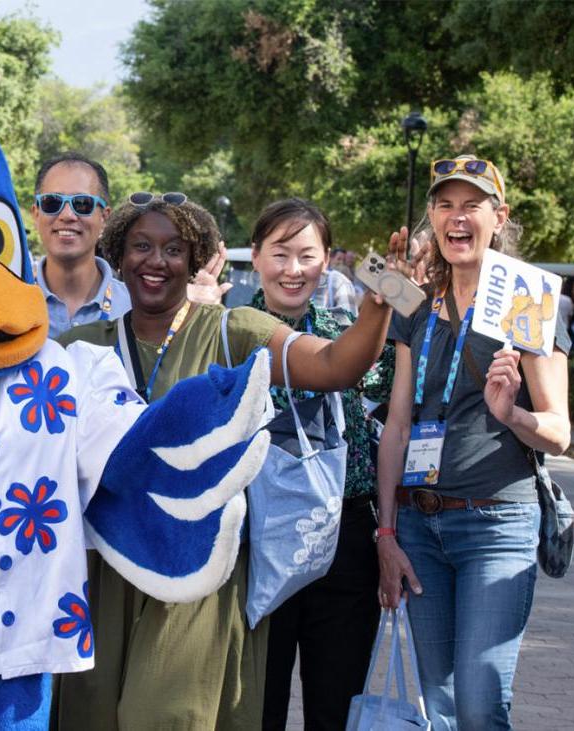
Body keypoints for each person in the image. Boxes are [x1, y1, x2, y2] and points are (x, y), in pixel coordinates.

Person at [55, 190, 403, 729]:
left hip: (199, 574)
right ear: (119, 255)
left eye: (173, 250)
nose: (156, 261)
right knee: (93, 715)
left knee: (165, 714)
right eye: (142, 246)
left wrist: (380, 302)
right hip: (104, 571)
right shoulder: (79, 346)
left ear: (195, 260)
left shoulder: (231, 330)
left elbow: (336, 366)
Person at [377, 155, 570, 730]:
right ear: (432, 219)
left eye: (471, 206)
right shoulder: (418, 305)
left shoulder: (529, 301)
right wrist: (386, 533)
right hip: (418, 526)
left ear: (498, 215)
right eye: (444, 205)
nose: (456, 218)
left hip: (496, 526)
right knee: (436, 707)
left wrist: (511, 414)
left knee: (480, 704)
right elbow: (397, 427)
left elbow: (558, 432)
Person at [247, 199, 387, 730]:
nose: (293, 269)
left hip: (343, 537)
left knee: (336, 704)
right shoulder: (223, 334)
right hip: (257, 542)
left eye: (307, 255)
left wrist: (397, 286)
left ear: (327, 260)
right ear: (256, 256)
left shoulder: (349, 329)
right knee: (258, 705)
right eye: (279, 253)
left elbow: (405, 383)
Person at [31, 153, 130, 337]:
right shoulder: (8, 301)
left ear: (104, 217)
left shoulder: (134, 309)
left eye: (82, 204)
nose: (67, 215)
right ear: (36, 214)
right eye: (52, 202)